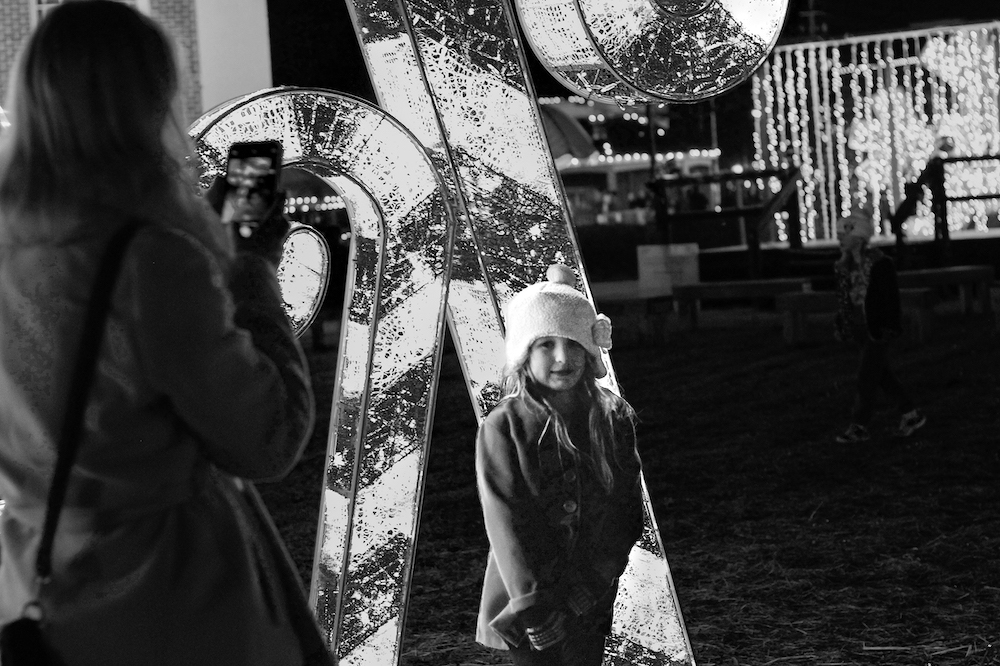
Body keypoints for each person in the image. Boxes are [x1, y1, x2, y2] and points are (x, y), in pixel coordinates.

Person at [0, 3, 320, 664]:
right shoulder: (150, 261)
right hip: (171, 599)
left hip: (40, 582)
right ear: (146, 107)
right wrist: (253, 269)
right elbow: (266, 438)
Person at [474, 264, 644, 666]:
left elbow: (625, 509)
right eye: (545, 344)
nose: (563, 357)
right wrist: (535, 604)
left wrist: (589, 587)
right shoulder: (504, 425)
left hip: (590, 596)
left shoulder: (611, 417)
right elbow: (507, 520)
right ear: (523, 353)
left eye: (573, 343)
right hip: (527, 606)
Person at [832, 202, 926, 444]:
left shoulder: (879, 264)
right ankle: (911, 414)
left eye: (845, 235)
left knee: (866, 377)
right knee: (881, 374)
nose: (840, 240)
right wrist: (843, 322)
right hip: (860, 327)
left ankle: (859, 425)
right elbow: (843, 298)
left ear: (858, 238)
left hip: (876, 329)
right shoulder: (844, 267)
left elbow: (889, 298)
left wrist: (888, 326)